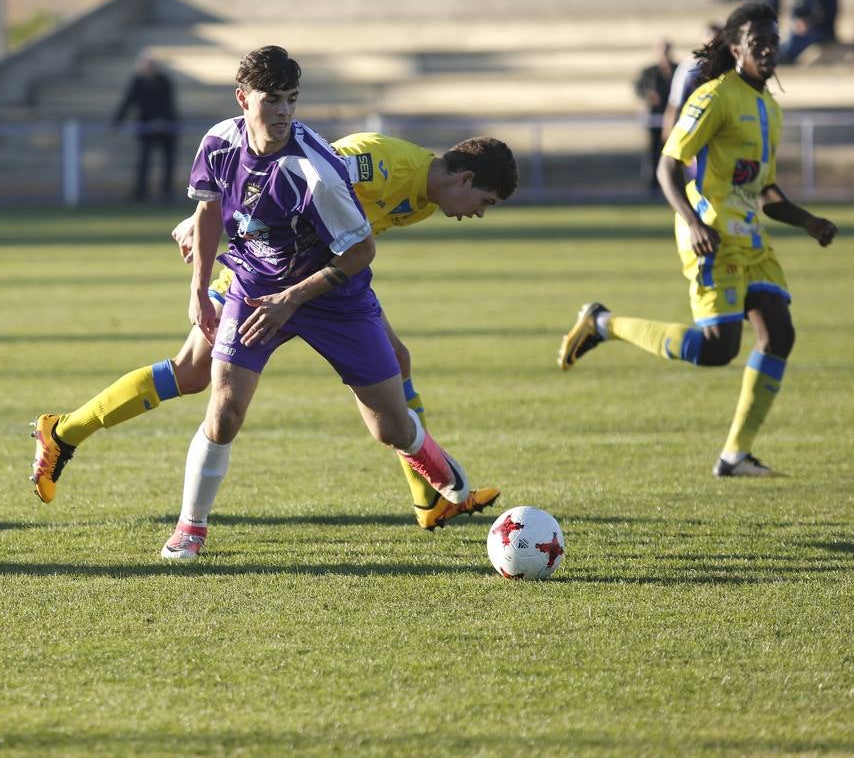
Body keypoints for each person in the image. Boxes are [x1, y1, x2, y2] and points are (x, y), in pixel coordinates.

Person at [31, 47, 518, 555]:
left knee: (394, 365)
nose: (477, 214)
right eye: (482, 203)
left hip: (325, 280)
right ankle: (65, 433)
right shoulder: (381, 162)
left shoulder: (425, 200)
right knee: (196, 376)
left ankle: (430, 497)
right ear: (464, 179)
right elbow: (305, 167)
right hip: (259, 267)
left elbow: (345, 232)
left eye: (292, 99)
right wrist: (204, 226)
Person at [557, 3, 839, 478]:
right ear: (736, 49)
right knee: (717, 349)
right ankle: (603, 323)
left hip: (752, 238)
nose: (769, 49)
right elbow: (667, 166)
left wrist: (807, 222)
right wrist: (692, 222)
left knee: (779, 335)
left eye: (774, 41)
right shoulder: (713, 97)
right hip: (711, 234)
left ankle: (734, 455)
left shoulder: (770, 106)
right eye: (758, 42)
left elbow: (763, 189)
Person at [112, 51, 180, 201]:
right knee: (144, 161)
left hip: (166, 128)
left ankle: (166, 193)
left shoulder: (164, 81)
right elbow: (129, 101)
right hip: (146, 127)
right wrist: (118, 120)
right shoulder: (138, 81)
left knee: (168, 161)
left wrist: (162, 120)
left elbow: (167, 104)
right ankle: (140, 193)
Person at [662, 22, 722, 143]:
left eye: (718, 38)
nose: (714, 42)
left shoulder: (730, 68)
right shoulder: (691, 67)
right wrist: (668, 134)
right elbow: (675, 101)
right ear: (703, 39)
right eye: (711, 38)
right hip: (694, 128)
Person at [634, 40, 676, 191]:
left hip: (672, 117)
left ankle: (672, 182)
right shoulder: (649, 72)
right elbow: (638, 88)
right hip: (654, 117)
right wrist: (648, 95)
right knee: (653, 151)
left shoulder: (677, 69)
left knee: (672, 150)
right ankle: (652, 183)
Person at [780, 0, 840, 65]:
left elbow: (828, 17)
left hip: (823, 32)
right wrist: (798, 22)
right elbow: (795, 12)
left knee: (797, 40)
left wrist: (810, 22)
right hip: (801, 30)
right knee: (789, 38)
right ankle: (784, 56)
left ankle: (787, 59)